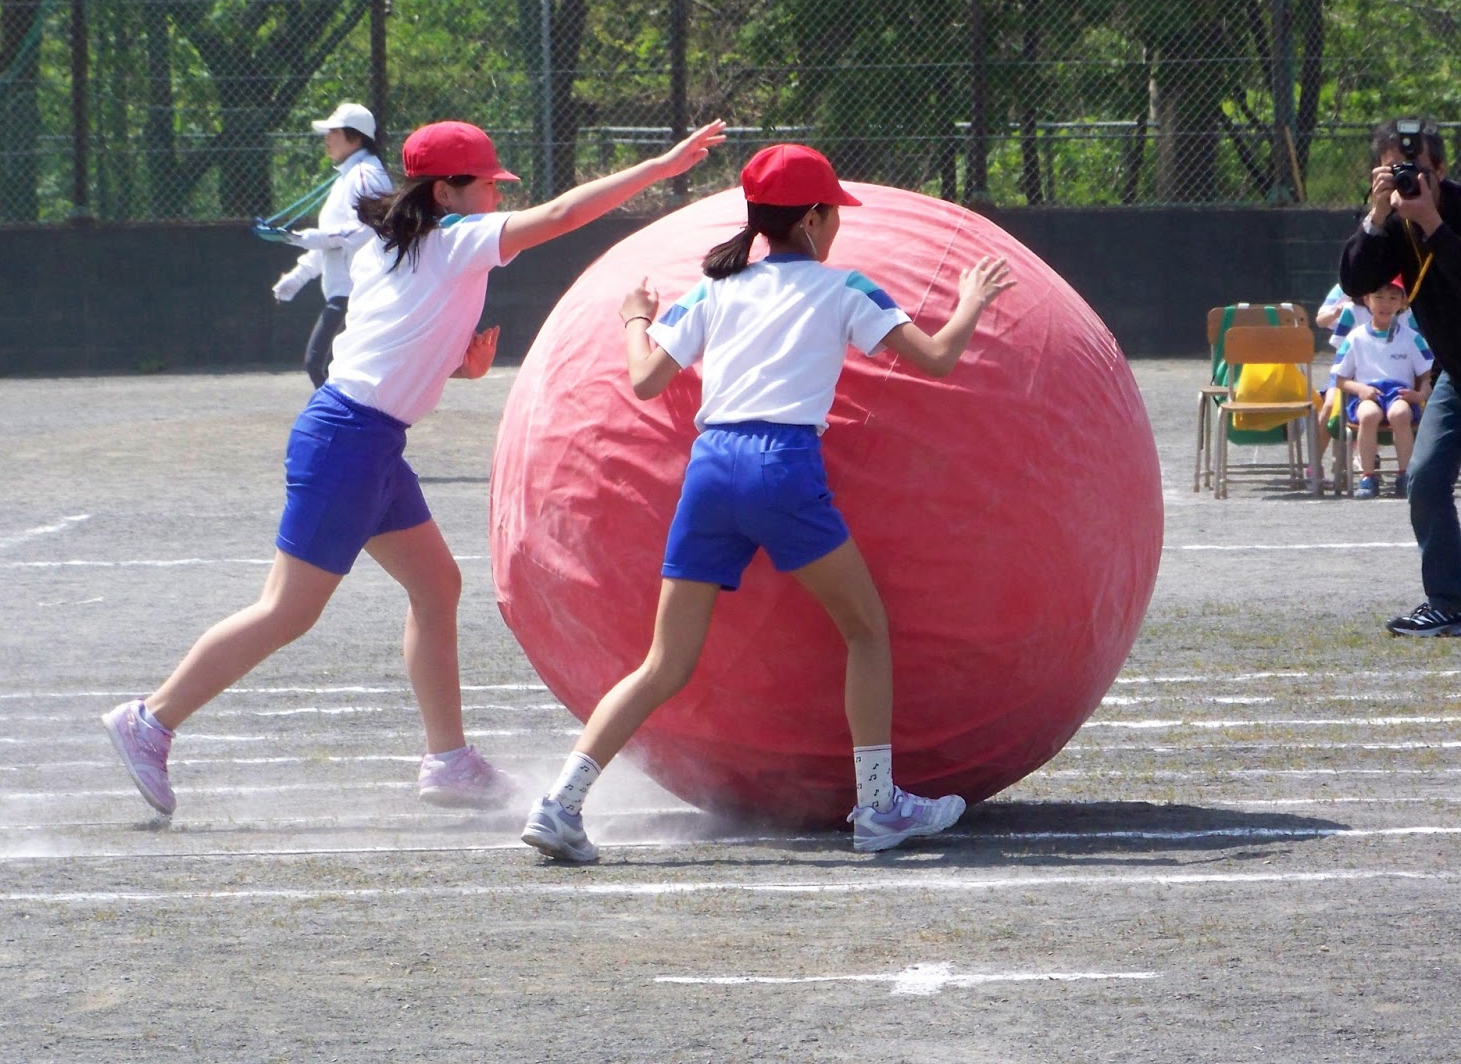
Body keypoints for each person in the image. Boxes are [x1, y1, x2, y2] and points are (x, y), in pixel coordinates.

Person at [102, 116, 728, 817]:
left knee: (437, 585)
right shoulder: (452, 242)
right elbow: (561, 214)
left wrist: (461, 367)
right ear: (449, 191)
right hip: (349, 439)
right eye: (490, 185)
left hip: (366, 438)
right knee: (287, 610)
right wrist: (661, 166)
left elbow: (393, 339)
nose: (498, 196)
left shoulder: (397, 245)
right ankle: (150, 720)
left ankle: (448, 761)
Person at [519, 144, 1014, 862]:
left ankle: (560, 804)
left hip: (711, 469)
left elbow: (647, 380)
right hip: (781, 469)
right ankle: (878, 805)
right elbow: (935, 358)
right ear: (813, 220)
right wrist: (970, 303)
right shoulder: (846, 288)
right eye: (835, 213)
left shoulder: (714, 291)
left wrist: (634, 318)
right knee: (867, 630)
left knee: (663, 663)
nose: (839, 226)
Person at [1339, 116, 1461, 635]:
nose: (1410, 180)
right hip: (1456, 373)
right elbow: (1355, 283)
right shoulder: (1390, 221)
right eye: (1396, 170)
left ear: (1442, 169)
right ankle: (1448, 601)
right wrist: (1375, 215)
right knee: (1426, 477)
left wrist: (1433, 222)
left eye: (1420, 171)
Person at [270, 103, 394, 388]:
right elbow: (332, 240)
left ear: (355, 136)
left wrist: (308, 237)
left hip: (358, 291)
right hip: (345, 292)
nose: (326, 138)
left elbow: (366, 229)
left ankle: (342, 427)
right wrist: (297, 278)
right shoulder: (349, 175)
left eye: (333, 131)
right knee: (330, 368)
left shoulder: (365, 175)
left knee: (320, 364)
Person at [1330, 279, 1433, 499]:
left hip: (1399, 395)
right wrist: (1360, 389)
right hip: (1367, 395)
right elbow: (1340, 378)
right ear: (1367, 300)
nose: (1385, 304)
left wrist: (1420, 395)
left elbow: (1427, 375)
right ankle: (1368, 477)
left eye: (1393, 298)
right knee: (1368, 414)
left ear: (1402, 303)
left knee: (1400, 414)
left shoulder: (1412, 337)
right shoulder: (1355, 337)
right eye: (1379, 297)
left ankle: (1406, 475)